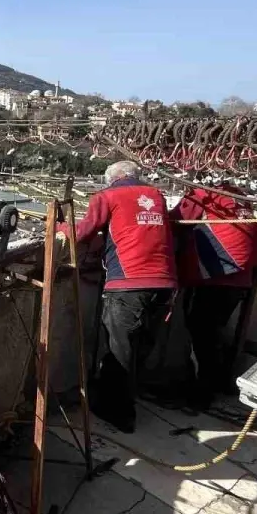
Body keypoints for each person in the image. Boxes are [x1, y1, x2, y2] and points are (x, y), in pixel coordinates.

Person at [58, 160, 176, 433]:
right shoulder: (157, 196)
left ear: (113, 179)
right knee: (141, 346)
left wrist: (59, 228)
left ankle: (121, 414)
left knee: (119, 350)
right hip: (165, 284)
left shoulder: (107, 196)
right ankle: (123, 398)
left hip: (128, 283)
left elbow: (82, 232)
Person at [171, 184, 257, 410]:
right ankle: (219, 383)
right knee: (213, 334)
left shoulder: (203, 192)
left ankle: (201, 395)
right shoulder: (239, 198)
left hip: (215, 277)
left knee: (202, 335)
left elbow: (176, 219)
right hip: (239, 279)